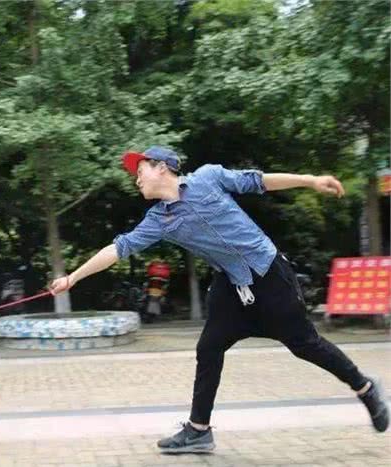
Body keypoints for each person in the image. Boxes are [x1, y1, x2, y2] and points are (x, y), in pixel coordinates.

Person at [50, 146, 389, 453]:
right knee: (209, 348)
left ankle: (364, 387)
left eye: (140, 170)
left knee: (305, 345)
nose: (136, 179)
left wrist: (310, 180)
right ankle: (198, 430)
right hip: (230, 285)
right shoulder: (159, 220)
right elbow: (118, 248)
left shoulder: (208, 178)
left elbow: (258, 181)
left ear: (162, 167)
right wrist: (73, 278)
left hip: (268, 274)